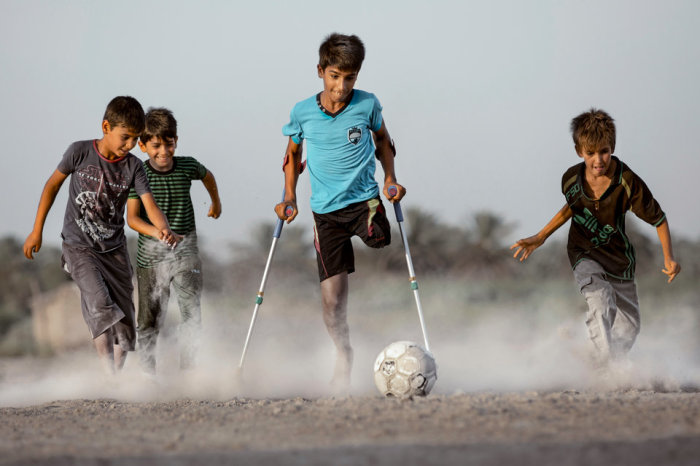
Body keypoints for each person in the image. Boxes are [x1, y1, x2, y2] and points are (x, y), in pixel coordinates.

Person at [275, 33, 405, 392]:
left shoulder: (367, 105)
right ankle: (343, 351)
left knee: (379, 238)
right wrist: (290, 196)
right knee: (332, 301)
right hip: (325, 214)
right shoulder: (302, 112)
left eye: (350, 78)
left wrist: (391, 178)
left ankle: (370, 227)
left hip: (364, 201)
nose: (341, 86)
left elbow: (383, 141)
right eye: (335, 76)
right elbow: (292, 156)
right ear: (321, 71)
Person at [511, 108, 681, 370]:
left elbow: (658, 219)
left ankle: (587, 354)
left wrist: (669, 258)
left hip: (618, 259)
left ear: (612, 147)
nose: (598, 159)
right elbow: (572, 207)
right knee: (601, 302)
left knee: (630, 326)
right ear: (580, 151)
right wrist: (541, 236)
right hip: (583, 252)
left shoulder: (627, 181)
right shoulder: (570, 179)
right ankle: (606, 370)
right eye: (590, 153)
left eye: (603, 151)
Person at [23, 96, 178, 375]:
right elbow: (51, 187)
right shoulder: (80, 152)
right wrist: (37, 231)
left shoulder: (134, 167)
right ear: (106, 126)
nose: (130, 145)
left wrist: (162, 229)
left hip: (114, 250)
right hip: (79, 246)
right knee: (99, 302)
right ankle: (106, 373)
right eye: (125, 137)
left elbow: (149, 205)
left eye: (135, 140)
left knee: (127, 320)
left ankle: (115, 379)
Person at [126, 107, 221, 375]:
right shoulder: (138, 174)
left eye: (169, 144)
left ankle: (188, 374)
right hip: (150, 258)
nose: (164, 152)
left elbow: (207, 175)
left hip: (186, 251)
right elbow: (132, 219)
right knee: (149, 321)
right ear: (143, 145)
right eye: (155, 146)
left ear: (176, 140)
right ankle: (147, 376)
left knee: (192, 315)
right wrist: (157, 232)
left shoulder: (187, 165)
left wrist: (215, 202)